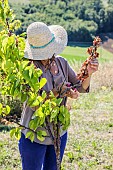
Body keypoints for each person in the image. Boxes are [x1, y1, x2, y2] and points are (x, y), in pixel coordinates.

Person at [18, 22, 99, 170]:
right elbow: (35, 103)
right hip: (34, 135)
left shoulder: (61, 62)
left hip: (58, 132)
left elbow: (80, 86)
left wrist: (89, 73)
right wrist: (58, 92)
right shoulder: (28, 69)